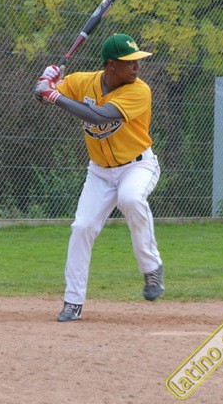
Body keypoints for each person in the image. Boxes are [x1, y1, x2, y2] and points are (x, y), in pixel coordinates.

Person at [34, 33, 164, 322]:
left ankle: (151, 268)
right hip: (100, 172)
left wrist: (54, 95)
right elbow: (43, 96)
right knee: (82, 227)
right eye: (130, 62)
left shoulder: (139, 90)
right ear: (111, 65)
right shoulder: (82, 82)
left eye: (137, 61)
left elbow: (100, 116)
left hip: (137, 166)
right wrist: (46, 81)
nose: (137, 67)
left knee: (131, 199)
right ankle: (73, 301)